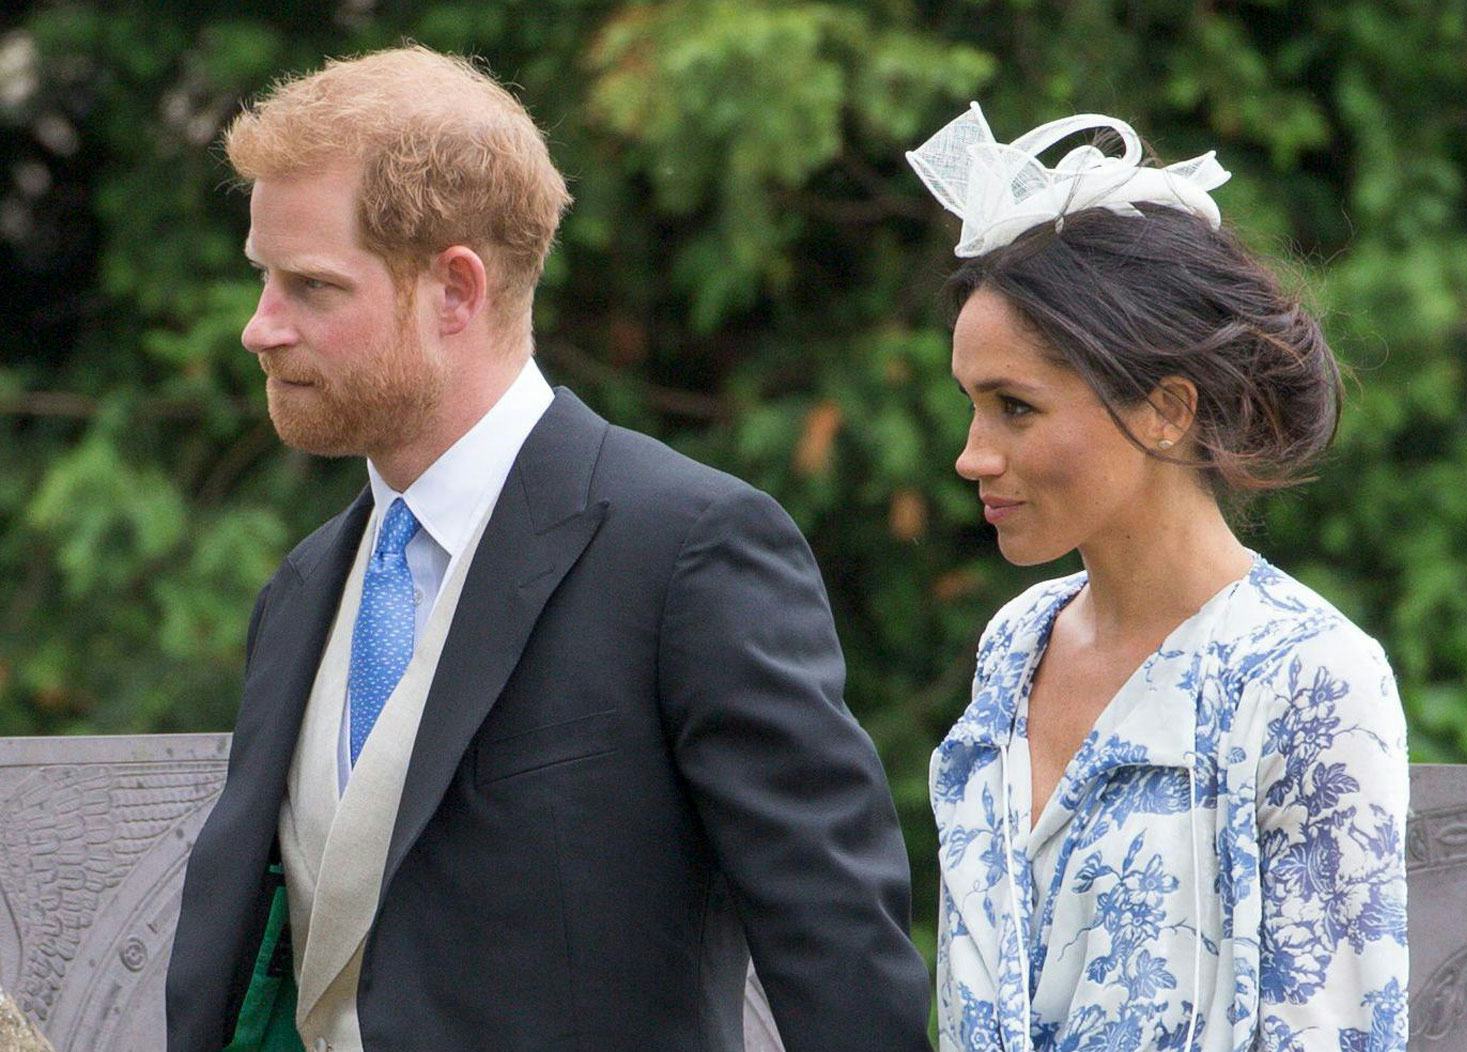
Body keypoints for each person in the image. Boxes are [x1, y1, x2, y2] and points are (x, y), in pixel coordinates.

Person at [165, 46, 933, 1052]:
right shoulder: (304, 585)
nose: (258, 328)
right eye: (264, 278)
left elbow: (839, 959)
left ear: (455, 290)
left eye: (309, 286)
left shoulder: (688, 550)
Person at [907, 109, 1409, 1051]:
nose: (972, 456)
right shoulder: (1015, 644)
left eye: (1014, 408)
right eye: (970, 407)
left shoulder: (1306, 677)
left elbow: (1336, 1028)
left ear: (1168, 408)